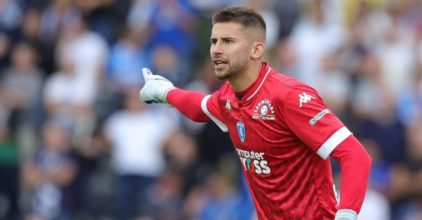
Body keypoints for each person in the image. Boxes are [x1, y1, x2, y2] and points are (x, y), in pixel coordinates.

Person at [139, 7, 372, 220]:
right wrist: (164, 92)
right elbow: (200, 107)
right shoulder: (228, 97)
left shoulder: (289, 96)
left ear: (256, 49)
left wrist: (346, 216)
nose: (217, 50)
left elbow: (356, 156)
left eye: (228, 41)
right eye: (214, 41)